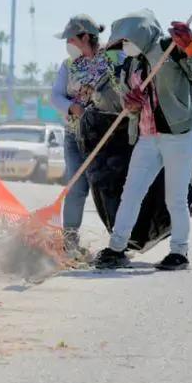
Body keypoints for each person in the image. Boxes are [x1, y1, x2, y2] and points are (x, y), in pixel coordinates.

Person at [93, 9, 192, 271]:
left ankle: (180, 253)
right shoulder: (131, 63)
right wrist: (129, 103)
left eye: (126, 40)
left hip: (179, 134)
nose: (124, 46)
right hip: (148, 136)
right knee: (131, 193)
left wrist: (191, 45)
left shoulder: (171, 49)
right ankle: (116, 248)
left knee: (176, 198)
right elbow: (128, 100)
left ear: (140, 34)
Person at [49, 14, 114, 255]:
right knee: (76, 189)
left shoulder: (111, 59)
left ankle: (117, 242)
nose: (68, 44)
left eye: (71, 39)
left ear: (85, 37)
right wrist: (70, 107)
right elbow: (55, 96)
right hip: (74, 136)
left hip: (104, 138)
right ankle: (70, 240)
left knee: (107, 189)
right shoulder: (68, 66)